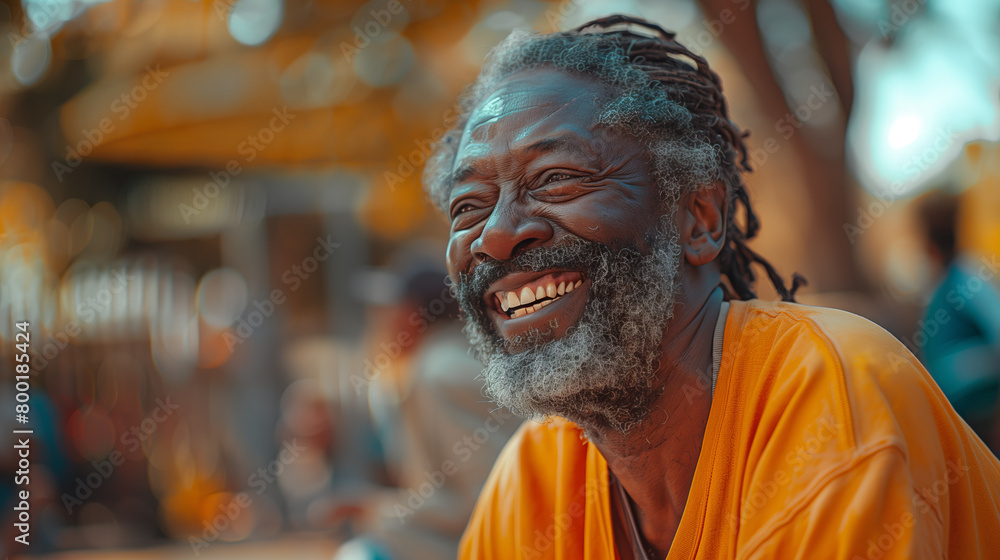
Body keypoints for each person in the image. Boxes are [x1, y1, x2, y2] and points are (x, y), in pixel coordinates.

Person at [421, 14, 1000, 559]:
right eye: (467, 206)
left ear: (699, 217)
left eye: (556, 178)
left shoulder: (831, 389)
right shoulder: (536, 475)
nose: (494, 237)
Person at [917, 191, 1000, 450]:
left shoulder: (966, 279)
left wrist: (951, 370)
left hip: (981, 412)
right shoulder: (938, 288)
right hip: (958, 417)